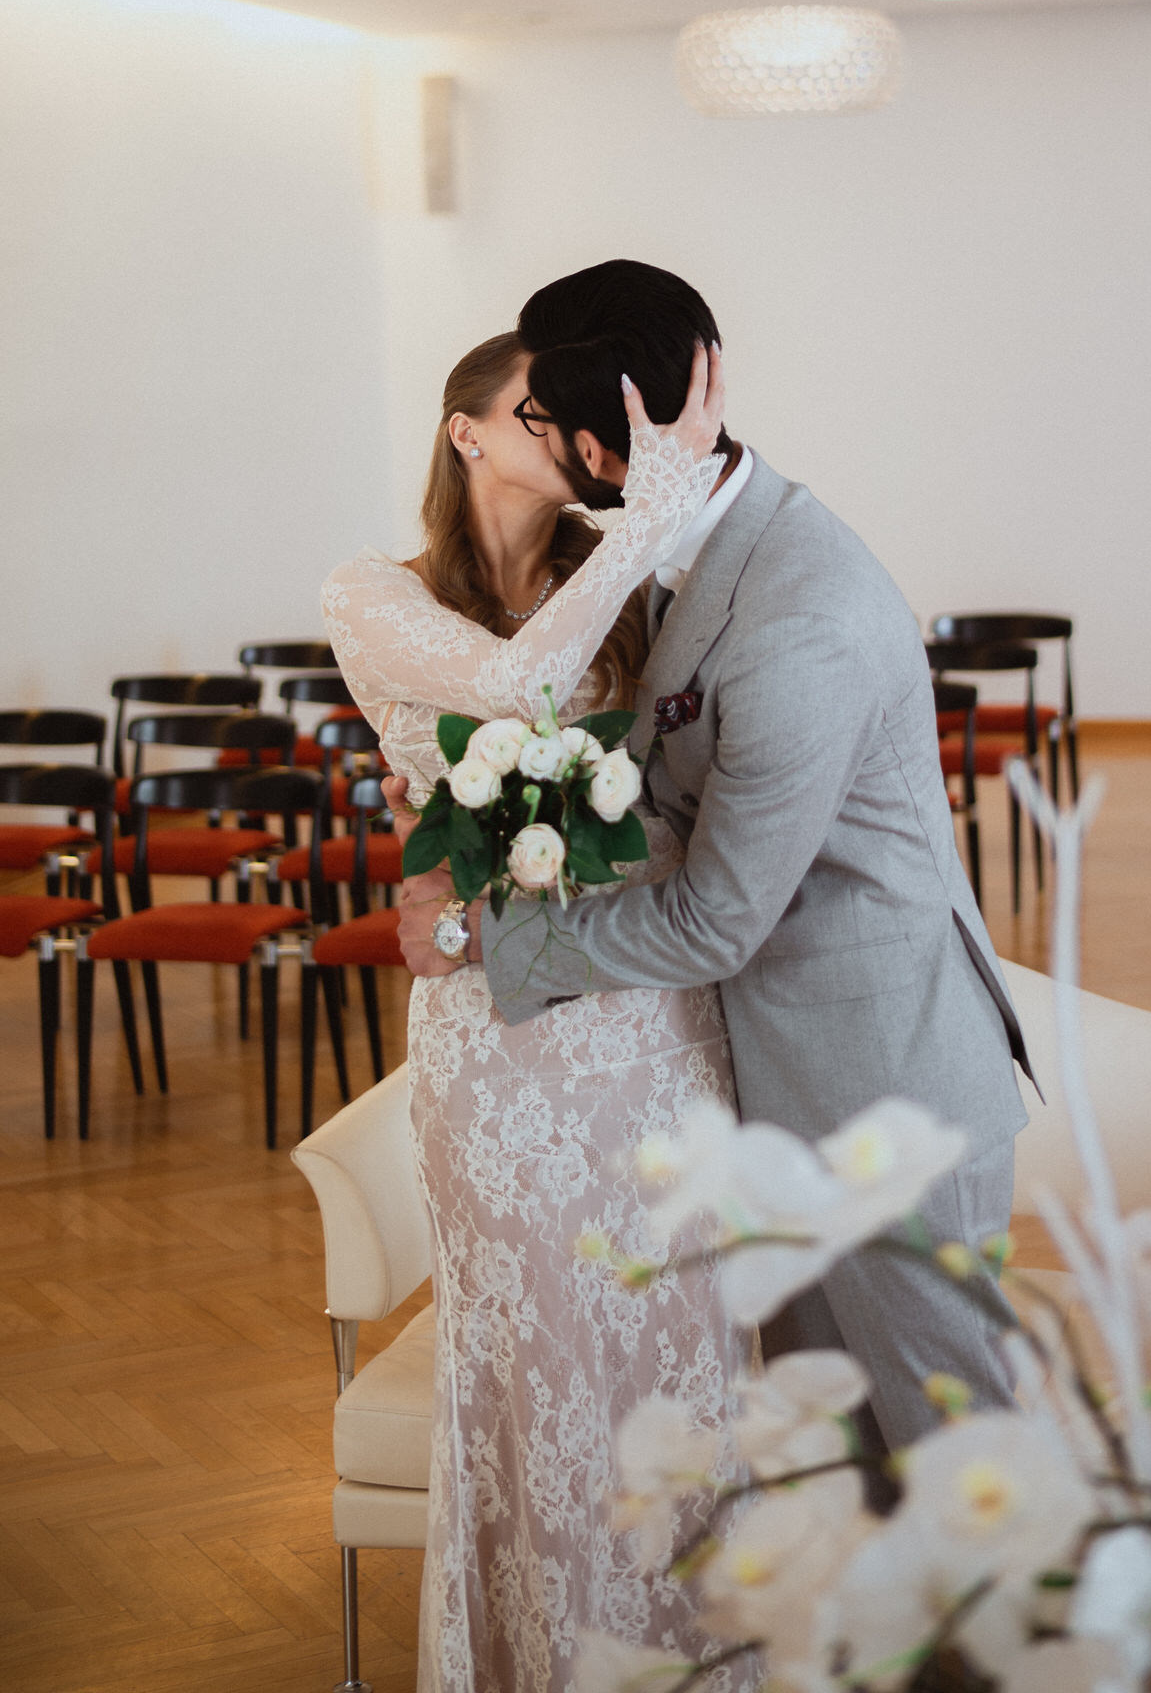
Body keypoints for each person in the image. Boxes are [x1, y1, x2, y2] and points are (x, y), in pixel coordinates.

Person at [397, 260, 1038, 1457]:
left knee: (972, 1463)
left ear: (597, 449)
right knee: (841, 1462)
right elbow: (652, 773)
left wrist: (488, 935)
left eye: (540, 419)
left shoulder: (802, 615)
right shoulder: (692, 540)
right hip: (785, 1074)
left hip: (879, 1086)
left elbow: (717, 918)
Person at [322, 330, 758, 1693]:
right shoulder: (367, 596)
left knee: (679, 1347)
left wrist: (656, 529)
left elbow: (687, 808)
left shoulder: (627, 587)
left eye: (574, 416)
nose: (567, 437)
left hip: (649, 1024)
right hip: (495, 1053)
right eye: (536, 413)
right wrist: (651, 526)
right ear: (465, 434)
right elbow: (508, 687)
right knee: (532, 1365)